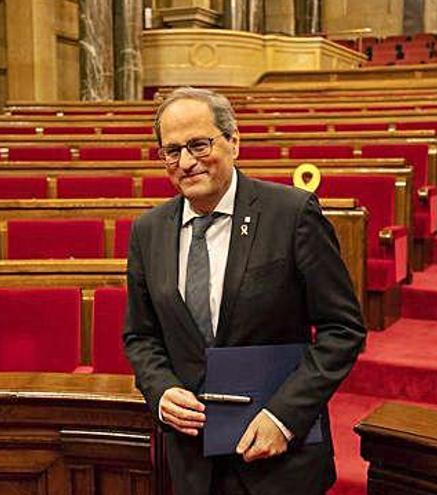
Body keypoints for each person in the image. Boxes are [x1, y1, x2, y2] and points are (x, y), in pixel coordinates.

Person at [122, 87, 366, 495]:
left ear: (234, 141)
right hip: (193, 464)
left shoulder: (292, 213)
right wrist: (160, 390)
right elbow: (141, 336)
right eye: (171, 150)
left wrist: (284, 417)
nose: (186, 162)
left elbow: (343, 330)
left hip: (279, 462)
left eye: (199, 144)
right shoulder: (148, 231)